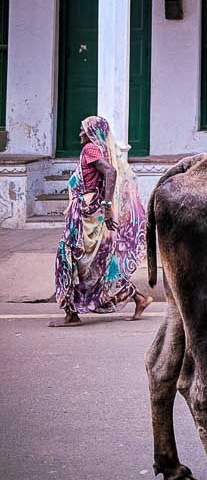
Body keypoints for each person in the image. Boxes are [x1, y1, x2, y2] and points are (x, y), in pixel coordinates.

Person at [50, 115, 152, 327]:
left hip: (85, 217)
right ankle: (139, 298)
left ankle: (71, 315)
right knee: (96, 266)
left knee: (68, 259)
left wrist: (106, 207)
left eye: (83, 130)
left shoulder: (91, 149)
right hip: (89, 214)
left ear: (91, 133)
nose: (80, 133)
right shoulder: (99, 150)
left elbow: (110, 172)